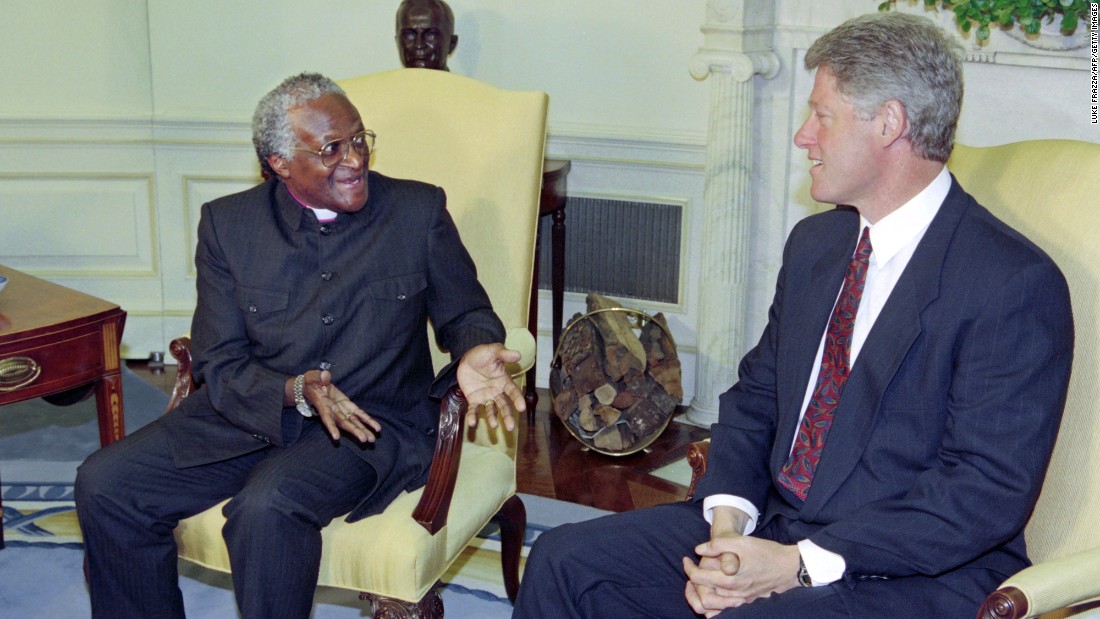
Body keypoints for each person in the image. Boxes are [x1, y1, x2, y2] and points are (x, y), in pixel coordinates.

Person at [511, 11, 1074, 619]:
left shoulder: (1010, 283)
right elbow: (758, 397)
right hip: (777, 527)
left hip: (910, 570)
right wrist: (729, 529)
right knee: (565, 561)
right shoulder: (817, 247)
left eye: (822, 116)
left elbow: (981, 494)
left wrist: (800, 563)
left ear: (888, 123)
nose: (804, 136)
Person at [75, 71, 525, 619]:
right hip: (247, 411)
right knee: (107, 483)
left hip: (369, 423)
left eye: (359, 139)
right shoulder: (228, 225)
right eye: (330, 149)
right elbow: (218, 360)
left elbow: (467, 311)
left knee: (267, 507)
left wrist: (477, 345)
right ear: (279, 163)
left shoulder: (417, 212)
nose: (355, 159)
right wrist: (291, 391)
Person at [395, 0, 458, 71]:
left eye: (430, 35)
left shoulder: (466, 82)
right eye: (409, 35)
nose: (419, 45)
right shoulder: (382, 82)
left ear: (452, 43)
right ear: (397, 42)